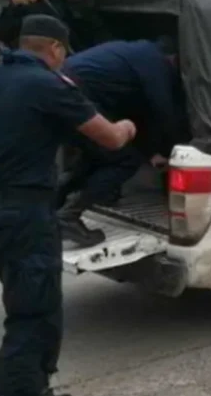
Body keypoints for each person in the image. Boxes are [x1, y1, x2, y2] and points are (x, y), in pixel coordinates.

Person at [0, 14, 137, 396]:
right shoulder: (52, 86)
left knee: (36, 305)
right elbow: (110, 139)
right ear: (57, 49)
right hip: (25, 216)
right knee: (31, 315)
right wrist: (130, 125)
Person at [56, 37, 184, 246]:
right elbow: (163, 111)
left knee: (96, 156)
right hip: (77, 95)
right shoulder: (156, 64)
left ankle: (55, 205)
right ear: (177, 60)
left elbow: (141, 113)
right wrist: (175, 150)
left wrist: (152, 149)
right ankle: (68, 216)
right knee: (125, 160)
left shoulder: (138, 53)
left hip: (63, 92)